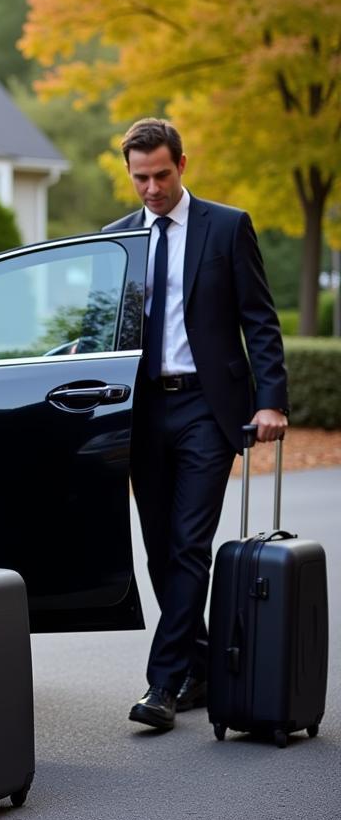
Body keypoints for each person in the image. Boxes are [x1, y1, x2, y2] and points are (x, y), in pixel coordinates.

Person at [105, 118, 288, 731]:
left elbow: (259, 319)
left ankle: (164, 682)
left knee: (188, 543)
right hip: (143, 411)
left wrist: (272, 400)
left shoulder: (226, 227)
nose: (151, 188)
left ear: (182, 163)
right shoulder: (118, 240)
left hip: (208, 409)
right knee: (160, 548)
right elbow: (105, 327)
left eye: (161, 175)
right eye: (140, 178)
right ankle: (203, 665)